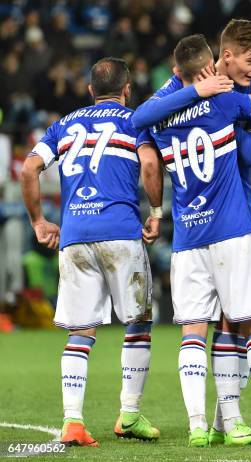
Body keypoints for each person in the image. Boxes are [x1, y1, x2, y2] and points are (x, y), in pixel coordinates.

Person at [139, 34, 251, 448]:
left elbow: (140, 116)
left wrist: (190, 89)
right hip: (230, 229)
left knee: (193, 331)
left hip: (189, 235)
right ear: (211, 66)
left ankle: (197, 426)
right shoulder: (225, 103)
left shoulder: (159, 118)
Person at [20, 57, 163, 447]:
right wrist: (154, 211)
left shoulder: (62, 125)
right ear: (127, 89)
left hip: (75, 236)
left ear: (89, 91)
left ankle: (73, 422)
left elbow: (29, 169)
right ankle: (129, 414)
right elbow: (149, 163)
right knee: (137, 323)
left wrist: (38, 222)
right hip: (120, 232)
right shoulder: (135, 121)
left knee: (80, 332)